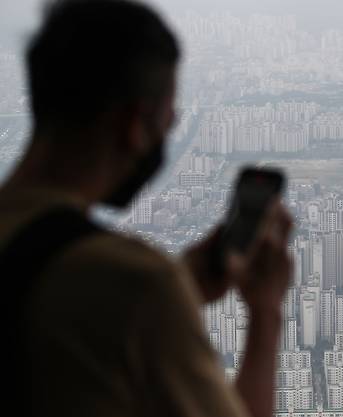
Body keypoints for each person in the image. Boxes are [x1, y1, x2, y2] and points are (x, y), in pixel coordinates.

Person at [0, 1, 293, 416]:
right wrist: (266, 313)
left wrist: (182, 287)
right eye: (169, 122)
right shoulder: (136, 283)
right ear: (136, 125)